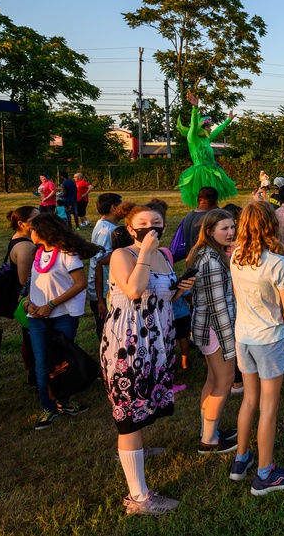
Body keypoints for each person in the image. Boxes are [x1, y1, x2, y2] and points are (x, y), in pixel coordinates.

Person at [102, 202, 196, 514]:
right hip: (128, 344)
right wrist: (144, 252)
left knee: (142, 405)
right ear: (131, 229)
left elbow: (163, 298)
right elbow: (133, 291)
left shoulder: (165, 256)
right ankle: (139, 498)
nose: (150, 226)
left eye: (156, 221)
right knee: (129, 413)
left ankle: (136, 447)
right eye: (143, 222)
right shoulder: (122, 255)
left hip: (157, 341)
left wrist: (181, 288)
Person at [228, 201, 284, 495]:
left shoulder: (234, 256)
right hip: (269, 339)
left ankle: (240, 460)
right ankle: (265, 473)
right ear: (271, 224)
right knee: (268, 408)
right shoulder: (277, 262)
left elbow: (240, 296)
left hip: (244, 336)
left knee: (249, 400)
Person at [23, 214, 100, 430]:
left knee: (62, 360)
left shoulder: (67, 255)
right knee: (41, 362)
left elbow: (80, 283)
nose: (30, 233)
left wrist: (51, 305)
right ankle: (47, 406)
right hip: (37, 318)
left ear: (44, 231)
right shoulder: (38, 254)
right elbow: (35, 284)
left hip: (63, 316)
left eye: (33, 230)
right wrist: (29, 303)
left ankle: (63, 400)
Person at [187, 209, 239, 455]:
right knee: (225, 381)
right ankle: (209, 441)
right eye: (224, 229)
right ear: (209, 231)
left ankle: (209, 430)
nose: (230, 232)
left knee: (212, 379)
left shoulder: (209, 253)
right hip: (217, 329)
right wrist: (231, 342)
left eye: (232, 227)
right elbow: (218, 306)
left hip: (209, 328)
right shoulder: (210, 259)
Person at [175, 92, 238, 208]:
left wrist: (228, 120)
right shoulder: (193, 139)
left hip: (212, 170)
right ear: (202, 128)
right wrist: (195, 108)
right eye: (208, 127)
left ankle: (214, 212)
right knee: (203, 198)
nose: (210, 129)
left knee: (213, 197)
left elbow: (218, 130)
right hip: (200, 173)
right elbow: (193, 125)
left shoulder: (206, 140)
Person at [87, 194, 125, 344]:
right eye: (122, 205)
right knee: (106, 331)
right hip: (102, 292)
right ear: (114, 208)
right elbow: (100, 261)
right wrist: (128, 251)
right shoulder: (105, 231)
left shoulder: (110, 227)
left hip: (107, 289)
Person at [177, 187, 220, 257]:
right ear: (216, 202)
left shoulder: (188, 216)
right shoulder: (213, 218)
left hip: (191, 261)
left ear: (198, 201)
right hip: (208, 262)